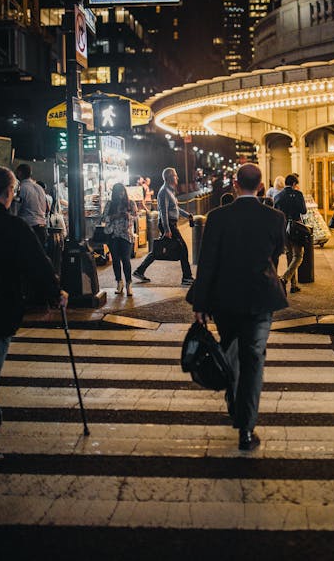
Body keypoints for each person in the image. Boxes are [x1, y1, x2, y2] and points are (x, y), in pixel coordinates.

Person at [192, 163, 287, 451]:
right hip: (260, 298)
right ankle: (246, 428)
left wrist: (200, 302)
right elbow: (276, 254)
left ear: (235, 184)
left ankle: (234, 404)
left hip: (225, 298)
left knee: (231, 351)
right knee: (253, 360)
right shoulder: (275, 217)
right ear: (260, 186)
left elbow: (207, 263)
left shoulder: (217, 217)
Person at [0, 166, 66, 437]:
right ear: (9, 193)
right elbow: (37, 263)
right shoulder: (13, 226)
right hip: (0, 310)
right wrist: (55, 292)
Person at [133, 167, 194, 286]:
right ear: (168, 178)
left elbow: (175, 208)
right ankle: (186, 277)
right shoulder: (164, 191)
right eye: (175, 175)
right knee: (183, 248)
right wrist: (167, 229)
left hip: (171, 224)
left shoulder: (170, 191)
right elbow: (164, 211)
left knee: (158, 250)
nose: (177, 177)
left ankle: (139, 271)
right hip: (168, 224)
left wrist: (187, 215)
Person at [102, 183, 138, 296]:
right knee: (116, 260)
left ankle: (129, 284)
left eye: (122, 191)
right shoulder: (110, 204)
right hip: (112, 235)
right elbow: (103, 218)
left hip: (126, 235)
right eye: (118, 192)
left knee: (126, 260)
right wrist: (114, 216)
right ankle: (119, 282)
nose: (120, 194)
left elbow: (136, 216)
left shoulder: (130, 203)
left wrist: (129, 216)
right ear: (115, 193)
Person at [274, 173, 307, 294]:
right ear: (294, 184)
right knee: (298, 256)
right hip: (296, 228)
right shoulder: (298, 194)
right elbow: (303, 210)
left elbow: (275, 212)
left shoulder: (278, 196)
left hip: (283, 228)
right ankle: (285, 278)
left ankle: (294, 284)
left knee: (289, 255)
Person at [14, 163, 48, 249]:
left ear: (20, 173)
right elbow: (47, 208)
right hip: (42, 227)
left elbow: (16, 209)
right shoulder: (40, 188)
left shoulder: (22, 188)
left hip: (29, 228)